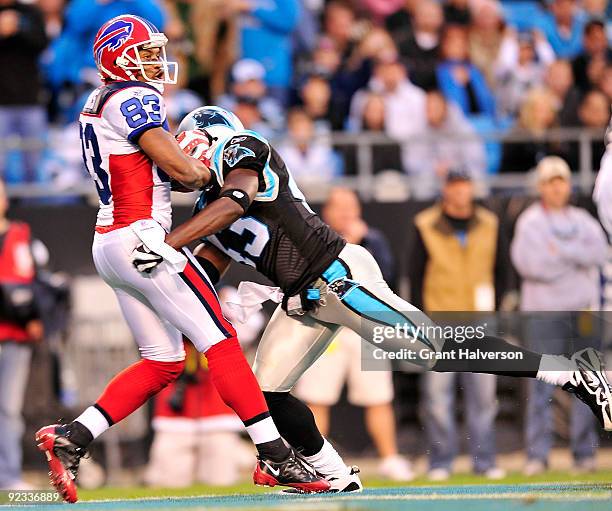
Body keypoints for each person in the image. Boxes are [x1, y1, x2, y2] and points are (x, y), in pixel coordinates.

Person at [139, 105, 612, 491]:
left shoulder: (242, 148)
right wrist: (155, 285)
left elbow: (236, 201)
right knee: (265, 392)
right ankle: (335, 474)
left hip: (337, 276)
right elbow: (204, 267)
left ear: (203, 136)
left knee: (434, 350)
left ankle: (569, 371)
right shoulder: (204, 209)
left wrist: (167, 243)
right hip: (300, 300)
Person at [35, 16, 329, 504]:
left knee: (164, 361)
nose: (155, 63)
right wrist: (200, 162)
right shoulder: (132, 98)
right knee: (222, 339)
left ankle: (73, 437)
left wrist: (179, 160)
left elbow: (146, 165)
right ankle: (275, 456)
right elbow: (182, 172)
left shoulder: (94, 102)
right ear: (119, 57)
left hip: (109, 240)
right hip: (141, 237)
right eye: (146, 54)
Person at [294, 188, 414, 481]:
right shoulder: (314, 238)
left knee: (378, 396)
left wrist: (360, 244)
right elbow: (306, 281)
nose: (346, 212)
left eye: (352, 206)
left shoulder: (374, 241)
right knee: (316, 397)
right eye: (340, 206)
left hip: (365, 329)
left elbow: (386, 281)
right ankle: (313, 462)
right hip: (326, 329)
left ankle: (390, 457)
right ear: (327, 212)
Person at [408, 169, 510, 480]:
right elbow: (415, 275)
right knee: (438, 399)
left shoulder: (490, 223)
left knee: (484, 399)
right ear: (446, 189)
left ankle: (485, 461)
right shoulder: (424, 224)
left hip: (480, 322)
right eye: (455, 186)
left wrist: (496, 310)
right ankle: (440, 461)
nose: (460, 192)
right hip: (439, 321)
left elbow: (502, 270)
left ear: (471, 188)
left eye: (465, 185)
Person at [511, 156, 607, 474]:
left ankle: (584, 453)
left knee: (587, 384)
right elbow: (533, 266)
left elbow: (600, 252)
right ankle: (537, 455)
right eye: (550, 182)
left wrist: (560, 252)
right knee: (540, 386)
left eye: (561, 180)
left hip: (581, 313)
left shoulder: (582, 219)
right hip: (543, 314)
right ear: (541, 187)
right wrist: (575, 258)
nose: (556, 187)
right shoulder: (530, 222)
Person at [0, 180, 45, 489]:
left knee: (8, 409)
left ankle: (9, 475)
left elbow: (25, 283)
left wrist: (31, 316)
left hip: (13, 336)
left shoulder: (20, 234)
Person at [402, 91, 486, 199]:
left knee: (479, 185)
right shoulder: (418, 130)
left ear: (445, 107)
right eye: (428, 108)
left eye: (435, 107)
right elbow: (411, 162)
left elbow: (477, 158)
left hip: (461, 176)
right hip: (431, 178)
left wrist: (454, 169)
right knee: (421, 187)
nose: (431, 111)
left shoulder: (463, 128)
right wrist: (433, 168)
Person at [0, 0, 48, 182]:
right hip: (1, 101)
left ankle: (35, 209)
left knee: (34, 163)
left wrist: (17, 28)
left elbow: (41, 43)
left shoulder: (30, 12)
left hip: (30, 99)